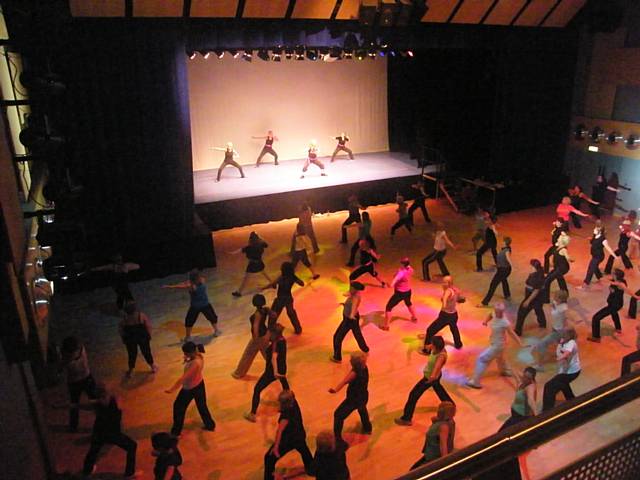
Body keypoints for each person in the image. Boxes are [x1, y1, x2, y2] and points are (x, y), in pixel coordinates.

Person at [81, 383, 139, 479]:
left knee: (93, 451)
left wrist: (61, 406)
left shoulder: (95, 404)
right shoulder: (115, 401)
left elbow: (77, 406)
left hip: (99, 433)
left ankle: (87, 472)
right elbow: (121, 409)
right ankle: (129, 473)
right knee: (132, 446)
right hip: (113, 433)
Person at [395, 336, 454, 426]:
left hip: (430, 378)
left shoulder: (441, 356)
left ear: (435, 346)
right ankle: (451, 406)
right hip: (433, 377)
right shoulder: (436, 348)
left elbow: (437, 367)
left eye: (432, 344)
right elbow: (428, 346)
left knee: (413, 395)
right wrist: (425, 345)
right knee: (440, 391)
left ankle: (406, 418)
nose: (431, 346)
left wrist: (432, 377)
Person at [466, 303, 521, 389]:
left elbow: (512, 333)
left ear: (502, 312)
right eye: (495, 310)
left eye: (497, 311)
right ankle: (506, 372)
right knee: (502, 361)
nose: (495, 312)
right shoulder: (494, 313)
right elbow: (490, 314)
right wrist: (485, 321)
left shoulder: (505, 322)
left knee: (482, 359)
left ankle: (475, 381)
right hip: (496, 344)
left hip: (498, 345)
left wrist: (520, 343)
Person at [165, 342, 215, 435]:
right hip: (199, 384)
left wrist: (172, 389)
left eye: (185, 353)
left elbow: (183, 378)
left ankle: (175, 432)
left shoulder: (195, 363)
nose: (184, 355)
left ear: (191, 352)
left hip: (190, 389)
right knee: (202, 406)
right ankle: (210, 425)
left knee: (178, 407)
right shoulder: (199, 355)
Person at [263, 390, 314, 479]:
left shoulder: (285, 416)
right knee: (304, 450)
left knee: (269, 458)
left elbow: (279, 431)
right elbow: (289, 391)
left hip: (289, 440)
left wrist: (276, 447)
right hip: (299, 435)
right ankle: (311, 468)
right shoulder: (294, 403)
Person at [245, 323, 289, 422]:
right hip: (283, 369)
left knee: (257, 389)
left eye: (268, 333)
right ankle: (287, 407)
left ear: (273, 334)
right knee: (286, 389)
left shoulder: (275, 344)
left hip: (272, 372)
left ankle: (252, 414)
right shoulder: (283, 340)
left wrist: (275, 372)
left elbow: (274, 357)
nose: (267, 334)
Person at [162, 269, 220, 341]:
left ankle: (216, 330)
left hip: (204, 304)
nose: (199, 277)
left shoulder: (198, 281)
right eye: (198, 277)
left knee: (212, 317)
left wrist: (171, 286)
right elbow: (180, 286)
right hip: (196, 306)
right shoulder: (193, 285)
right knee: (189, 320)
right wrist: (170, 286)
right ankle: (188, 336)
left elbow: (182, 285)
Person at [329, 352, 372, 446]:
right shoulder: (365, 368)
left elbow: (344, 381)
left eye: (351, 360)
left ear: (354, 364)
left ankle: (338, 439)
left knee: (338, 415)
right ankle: (367, 428)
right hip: (363, 396)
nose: (349, 360)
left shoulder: (354, 373)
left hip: (353, 399)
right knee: (362, 409)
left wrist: (335, 390)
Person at [587, 269, 638, 343]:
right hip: (613, 303)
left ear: (616, 276)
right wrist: (609, 280)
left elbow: (627, 290)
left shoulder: (621, 284)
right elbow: (602, 279)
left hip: (615, 305)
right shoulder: (614, 280)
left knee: (596, 318)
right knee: (614, 313)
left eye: (613, 273)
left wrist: (636, 297)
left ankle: (596, 337)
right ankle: (618, 328)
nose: (611, 274)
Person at [60, 336, 97, 432]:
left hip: (74, 383)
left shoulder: (68, 362)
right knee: (95, 401)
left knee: (74, 404)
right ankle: (103, 420)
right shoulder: (82, 350)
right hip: (87, 378)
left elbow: (61, 367)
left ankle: (73, 426)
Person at [232, 294, 272, 379]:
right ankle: (276, 369)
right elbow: (273, 315)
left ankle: (239, 373)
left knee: (248, 355)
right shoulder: (266, 310)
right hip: (264, 335)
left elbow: (255, 327)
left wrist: (255, 339)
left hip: (258, 338)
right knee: (268, 355)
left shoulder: (257, 314)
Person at [542, 327, 581, 412]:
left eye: (564, 333)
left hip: (571, 372)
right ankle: (572, 401)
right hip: (564, 371)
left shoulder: (571, 343)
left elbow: (567, 353)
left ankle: (547, 411)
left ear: (569, 336)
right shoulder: (562, 341)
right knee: (563, 384)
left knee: (549, 387)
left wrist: (556, 359)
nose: (562, 334)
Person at [409, 401, 456, 470]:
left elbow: (443, 446)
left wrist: (445, 463)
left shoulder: (444, 426)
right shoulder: (445, 422)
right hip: (430, 453)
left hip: (434, 456)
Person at [421, 276, 464, 352]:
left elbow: (445, 298)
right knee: (454, 329)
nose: (442, 284)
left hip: (445, 316)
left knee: (430, 330)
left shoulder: (447, 291)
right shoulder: (456, 290)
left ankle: (427, 349)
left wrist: (444, 305)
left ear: (449, 283)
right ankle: (458, 344)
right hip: (454, 315)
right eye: (443, 282)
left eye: (445, 282)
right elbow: (461, 299)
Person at [532, 290, 569, 371]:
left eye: (556, 296)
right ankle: (565, 356)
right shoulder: (557, 303)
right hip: (555, 328)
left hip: (559, 331)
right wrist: (552, 305)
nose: (554, 297)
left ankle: (540, 365)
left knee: (542, 343)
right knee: (561, 344)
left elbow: (565, 319)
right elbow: (552, 304)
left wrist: (566, 330)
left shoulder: (563, 308)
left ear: (560, 299)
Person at [331, 282, 369, 362]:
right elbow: (350, 302)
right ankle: (365, 349)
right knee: (357, 334)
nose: (349, 289)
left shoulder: (356, 297)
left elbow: (354, 306)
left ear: (355, 289)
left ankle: (337, 357)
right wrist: (344, 304)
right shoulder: (353, 294)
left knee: (337, 337)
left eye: (351, 288)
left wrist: (351, 315)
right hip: (351, 319)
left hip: (349, 320)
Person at [265, 262, 304, 334]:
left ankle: (270, 328)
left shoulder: (281, 278)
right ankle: (298, 329)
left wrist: (265, 287)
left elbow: (273, 284)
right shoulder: (293, 277)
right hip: (288, 298)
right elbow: (302, 283)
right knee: (291, 313)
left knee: (274, 314)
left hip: (280, 298)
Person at [120, 301, 157, 378]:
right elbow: (148, 325)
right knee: (146, 351)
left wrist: (123, 339)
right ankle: (152, 366)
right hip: (142, 336)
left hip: (130, 338)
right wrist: (149, 335)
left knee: (132, 354)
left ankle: (131, 370)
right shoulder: (141, 315)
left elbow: (121, 330)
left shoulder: (124, 319)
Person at [231, 231, 272, 297]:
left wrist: (231, 253)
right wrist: (261, 239)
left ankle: (239, 292)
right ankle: (272, 283)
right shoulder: (261, 244)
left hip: (252, 265)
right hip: (259, 262)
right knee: (264, 273)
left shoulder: (249, 248)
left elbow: (239, 250)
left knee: (246, 278)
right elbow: (266, 245)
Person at [578, 221, 617, 289]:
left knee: (590, 269)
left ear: (599, 231)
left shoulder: (603, 239)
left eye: (595, 229)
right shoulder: (595, 236)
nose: (593, 230)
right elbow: (593, 242)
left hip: (598, 257)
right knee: (595, 267)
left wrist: (615, 256)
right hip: (595, 255)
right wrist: (590, 239)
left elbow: (608, 248)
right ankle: (600, 277)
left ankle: (585, 284)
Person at [383, 257, 418, 330]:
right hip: (408, 291)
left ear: (402, 264)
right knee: (408, 303)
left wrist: (388, 284)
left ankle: (386, 326)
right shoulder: (410, 269)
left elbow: (392, 284)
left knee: (388, 307)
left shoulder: (401, 272)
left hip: (400, 293)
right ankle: (414, 317)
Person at [515, 259, 546, 336]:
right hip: (538, 298)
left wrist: (528, 301)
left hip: (533, 298)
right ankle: (542, 323)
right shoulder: (537, 273)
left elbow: (536, 290)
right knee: (538, 309)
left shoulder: (537, 277)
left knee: (521, 312)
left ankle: (518, 331)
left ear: (533, 267)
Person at [478, 237, 512, 306]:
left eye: (502, 242)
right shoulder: (505, 249)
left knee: (493, 285)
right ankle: (507, 295)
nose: (500, 242)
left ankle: (485, 302)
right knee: (504, 280)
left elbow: (508, 258)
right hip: (502, 269)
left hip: (503, 270)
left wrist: (512, 265)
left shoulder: (506, 251)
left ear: (505, 243)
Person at [542, 231, 571, 304]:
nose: (557, 238)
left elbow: (568, 258)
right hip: (558, 267)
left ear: (561, 242)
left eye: (559, 238)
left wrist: (571, 259)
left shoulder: (563, 249)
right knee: (560, 279)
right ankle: (565, 294)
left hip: (562, 268)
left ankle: (545, 299)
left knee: (547, 281)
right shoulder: (558, 246)